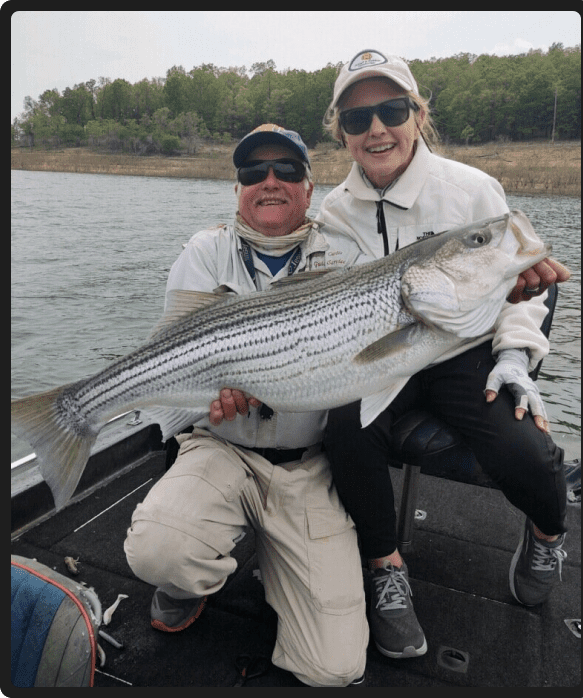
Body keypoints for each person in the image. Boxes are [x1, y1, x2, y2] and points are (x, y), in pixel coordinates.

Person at [317, 49, 569, 660]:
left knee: (529, 453)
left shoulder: (474, 190)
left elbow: (526, 281)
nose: (376, 128)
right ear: (342, 133)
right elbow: (334, 310)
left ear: (418, 113)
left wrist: (513, 355)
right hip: (387, 354)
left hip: (464, 349)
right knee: (345, 431)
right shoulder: (333, 211)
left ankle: (545, 533)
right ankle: (385, 567)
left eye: (391, 109)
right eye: (357, 119)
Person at [123, 124, 370, 687]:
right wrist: (216, 392)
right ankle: (186, 581)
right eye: (252, 173)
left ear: (310, 188)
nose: (269, 182)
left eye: (286, 171)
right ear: (237, 189)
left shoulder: (347, 254)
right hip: (220, 446)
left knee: (334, 668)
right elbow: (175, 355)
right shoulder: (204, 250)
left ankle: (272, 554)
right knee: (161, 550)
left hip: (308, 466)